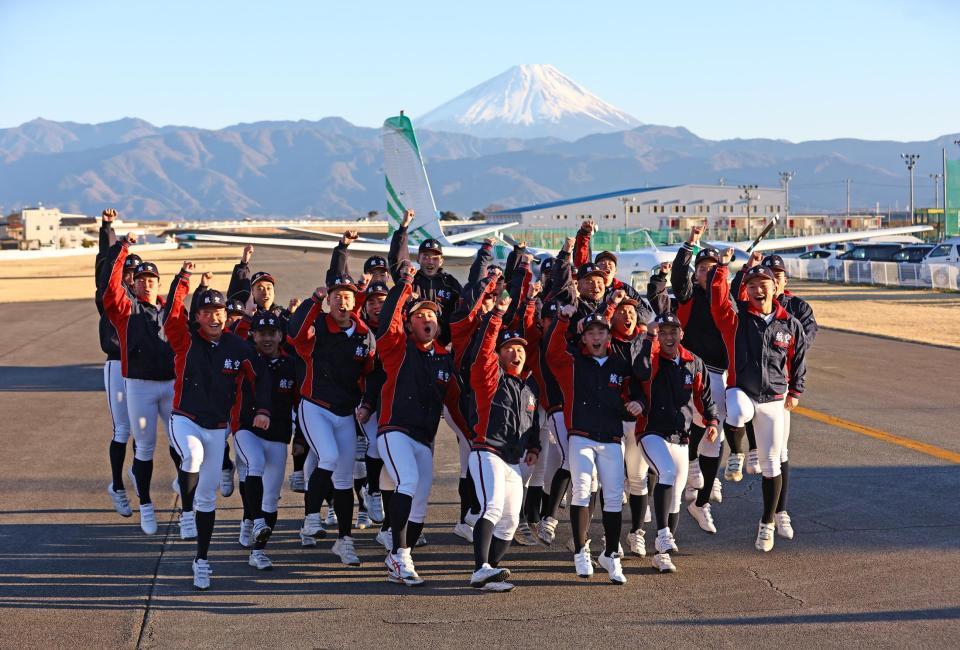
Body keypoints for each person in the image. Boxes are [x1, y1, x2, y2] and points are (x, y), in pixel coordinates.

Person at [164, 269, 271, 590]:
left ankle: (202, 561)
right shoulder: (185, 339)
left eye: (219, 312)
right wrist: (184, 279)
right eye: (207, 312)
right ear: (197, 316)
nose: (214, 317)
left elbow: (260, 378)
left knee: (208, 499)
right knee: (192, 458)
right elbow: (171, 313)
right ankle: (185, 512)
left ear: (226, 315)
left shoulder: (237, 348)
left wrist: (263, 409)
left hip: (217, 428)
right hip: (184, 418)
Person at [711, 251, 807, 552]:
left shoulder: (790, 324)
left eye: (763, 283)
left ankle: (767, 523)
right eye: (752, 285)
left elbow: (799, 360)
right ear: (746, 290)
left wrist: (795, 392)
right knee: (736, 410)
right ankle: (737, 453)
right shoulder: (736, 318)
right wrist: (724, 268)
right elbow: (717, 298)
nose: (757, 289)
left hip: (775, 400)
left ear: (775, 288)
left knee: (771, 464)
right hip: (742, 390)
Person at [373, 260, 459, 586]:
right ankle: (398, 554)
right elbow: (387, 323)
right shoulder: (397, 348)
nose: (427, 319)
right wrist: (405, 284)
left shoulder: (442, 359)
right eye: (419, 316)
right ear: (409, 325)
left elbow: (456, 404)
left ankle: (401, 550)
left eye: (432, 316)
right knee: (406, 481)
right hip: (394, 430)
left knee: (421, 500)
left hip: (424, 437)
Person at [288, 275, 376, 567]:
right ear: (329, 300)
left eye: (348, 296)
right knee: (328, 456)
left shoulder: (364, 335)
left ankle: (345, 541)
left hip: (345, 411)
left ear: (355, 302)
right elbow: (294, 334)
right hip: (315, 406)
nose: (342, 301)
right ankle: (311, 517)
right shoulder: (317, 328)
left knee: (344, 477)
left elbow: (369, 374)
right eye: (336, 296)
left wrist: (366, 404)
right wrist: (313, 302)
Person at [548, 306, 633, 584]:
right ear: (582, 338)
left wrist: (638, 403)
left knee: (612, 495)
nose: (596, 336)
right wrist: (562, 320)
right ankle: (581, 550)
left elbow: (637, 391)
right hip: (581, 435)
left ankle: (610, 554)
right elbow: (551, 353)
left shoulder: (620, 364)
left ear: (609, 336)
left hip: (610, 438)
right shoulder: (572, 362)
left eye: (601, 331)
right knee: (582, 489)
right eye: (590, 332)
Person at [632, 313, 719, 573]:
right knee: (666, 473)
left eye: (674, 332)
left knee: (676, 499)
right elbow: (641, 370)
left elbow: (704, 396)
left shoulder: (693, 362)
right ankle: (661, 533)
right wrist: (649, 338)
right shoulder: (654, 357)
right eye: (664, 332)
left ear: (682, 334)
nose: (669, 337)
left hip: (681, 436)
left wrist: (712, 421)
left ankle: (662, 554)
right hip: (651, 431)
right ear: (659, 335)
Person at [102, 232, 176, 535]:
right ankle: (119, 485)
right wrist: (114, 239)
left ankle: (179, 488)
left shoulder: (162, 309)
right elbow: (106, 275)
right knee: (124, 431)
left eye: (146, 276)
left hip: (158, 376)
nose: (140, 280)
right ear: (128, 280)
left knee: (176, 439)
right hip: (122, 367)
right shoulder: (122, 305)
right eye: (133, 275)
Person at [467, 295, 540, 592]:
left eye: (520, 349)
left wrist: (534, 446)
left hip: (512, 460)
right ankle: (479, 569)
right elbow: (484, 352)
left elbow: (531, 423)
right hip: (486, 451)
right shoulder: (490, 378)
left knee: (510, 523)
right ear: (500, 354)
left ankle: (491, 573)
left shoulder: (527, 389)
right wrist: (495, 316)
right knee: (492, 508)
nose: (516, 353)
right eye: (509, 348)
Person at [232, 311, 297, 570]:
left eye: (273, 333)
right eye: (262, 333)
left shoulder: (290, 364)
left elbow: (298, 403)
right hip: (246, 430)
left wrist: (301, 439)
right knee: (254, 464)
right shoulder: (244, 358)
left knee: (271, 496)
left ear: (281, 335)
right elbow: (232, 335)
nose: (267, 338)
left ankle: (258, 550)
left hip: (279, 436)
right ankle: (255, 518)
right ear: (253, 334)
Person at [671, 226, 728, 504]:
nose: (708, 272)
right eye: (703, 268)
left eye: (713, 268)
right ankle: (691, 464)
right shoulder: (688, 297)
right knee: (693, 421)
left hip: (720, 372)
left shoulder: (727, 300)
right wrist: (689, 245)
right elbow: (679, 278)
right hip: (690, 370)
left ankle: (708, 484)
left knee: (717, 428)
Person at [604, 289, 656, 557]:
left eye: (632, 312)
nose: (628, 315)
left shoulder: (644, 341)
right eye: (622, 312)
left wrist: (643, 405)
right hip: (610, 422)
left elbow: (653, 382)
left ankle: (637, 533)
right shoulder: (604, 342)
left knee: (637, 478)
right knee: (609, 481)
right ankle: (606, 536)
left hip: (636, 422)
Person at [95, 209, 139, 517]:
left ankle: (139, 471)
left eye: (137, 274)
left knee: (143, 429)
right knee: (122, 429)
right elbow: (105, 262)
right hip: (116, 364)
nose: (132, 278)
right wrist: (109, 229)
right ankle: (116, 485)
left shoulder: (145, 302)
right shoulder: (111, 296)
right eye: (127, 272)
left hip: (141, 368)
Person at [388, 209, 462, 345]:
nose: (430, 261)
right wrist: (403, 228)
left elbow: (463, 309)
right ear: (418, 259)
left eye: (434, 258)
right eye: (426, 257)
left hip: (441, 346)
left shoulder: (450, 283)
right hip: (411, 344)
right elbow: (397, 258)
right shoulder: (409, 278)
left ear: (441, 261)